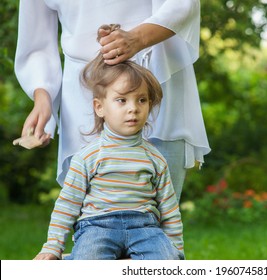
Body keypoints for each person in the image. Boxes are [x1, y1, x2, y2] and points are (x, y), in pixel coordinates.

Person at [14, 0, 211, 201]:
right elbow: (36, 42)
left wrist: (137, 38)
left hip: (156, 80)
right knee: (89, 214)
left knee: (159, 216)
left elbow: (182, 3)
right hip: (83, 98)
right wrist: (42, 96)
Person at [34, 50, 184, 260]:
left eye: (141, 100)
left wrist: (176, 251)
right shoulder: (88, 157)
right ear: (100, 107)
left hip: (145, 227)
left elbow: (169, 209)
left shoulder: (155, 158)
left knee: (166, 263)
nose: (133, 108)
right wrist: (52, 247)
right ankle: (72, 259)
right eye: (122, 100)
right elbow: (67, 205)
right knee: (87, 264)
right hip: (97, 226)